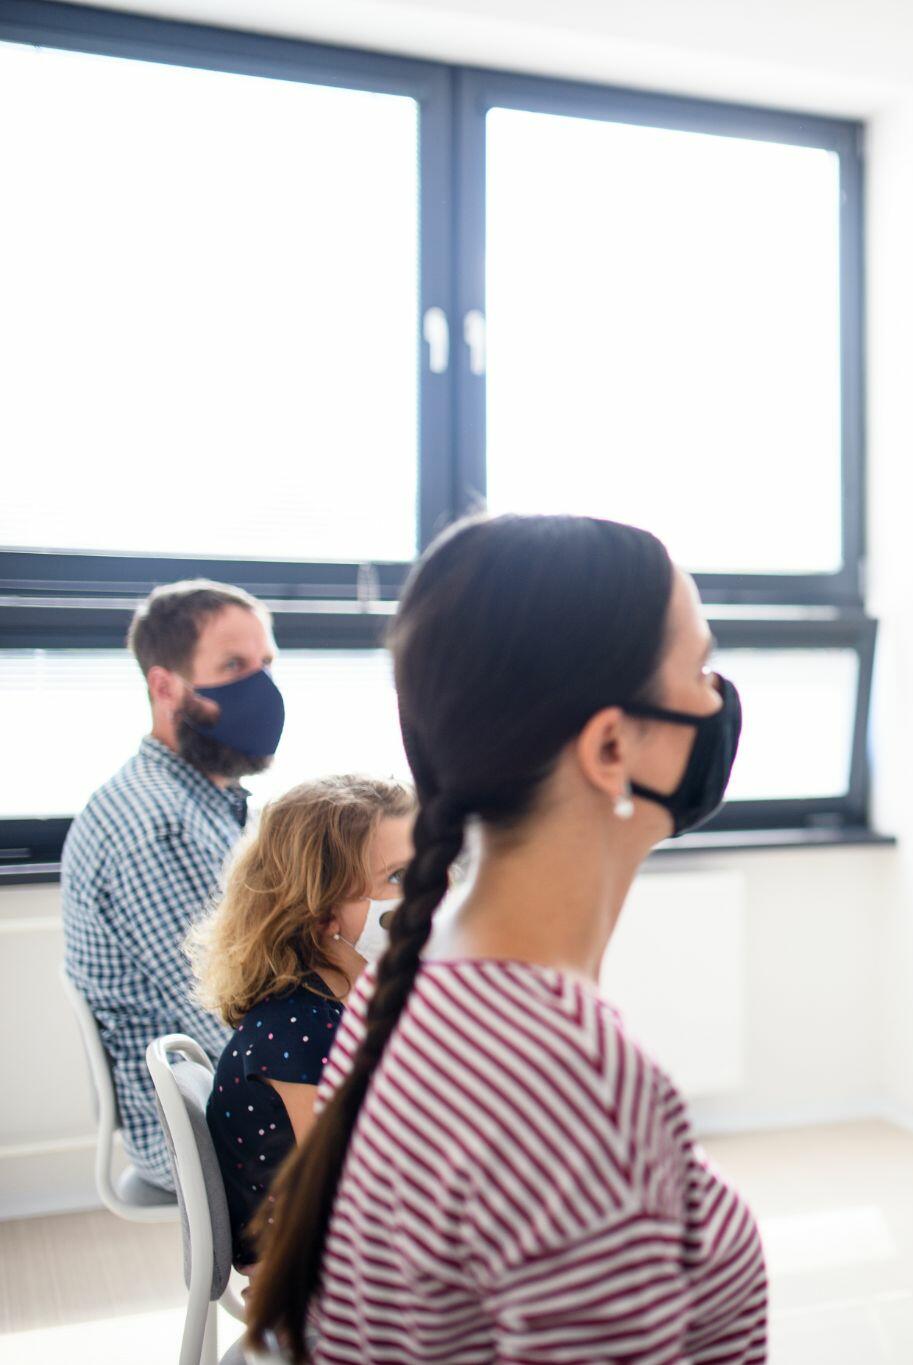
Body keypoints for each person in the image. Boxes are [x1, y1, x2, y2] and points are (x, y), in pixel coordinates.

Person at [244, 514, 765, 1364]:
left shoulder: (403, 979)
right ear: (607, 744)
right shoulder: (578, 1083)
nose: (719, 699)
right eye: (701, 669)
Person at [61, 579, 286, 1192]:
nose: (261, 687)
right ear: (165, 686)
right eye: (233, 666)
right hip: (198, 1120)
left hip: (221, 1085)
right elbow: (229, 1011)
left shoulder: (206, 802)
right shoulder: (158, 825)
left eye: (265, 664)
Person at [187, 775, 414, 1268]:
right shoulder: (300, 1030)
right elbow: (351, 1198)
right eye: (397, 878)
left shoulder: (354, 1000)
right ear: (320, 914)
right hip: (309, 1269)